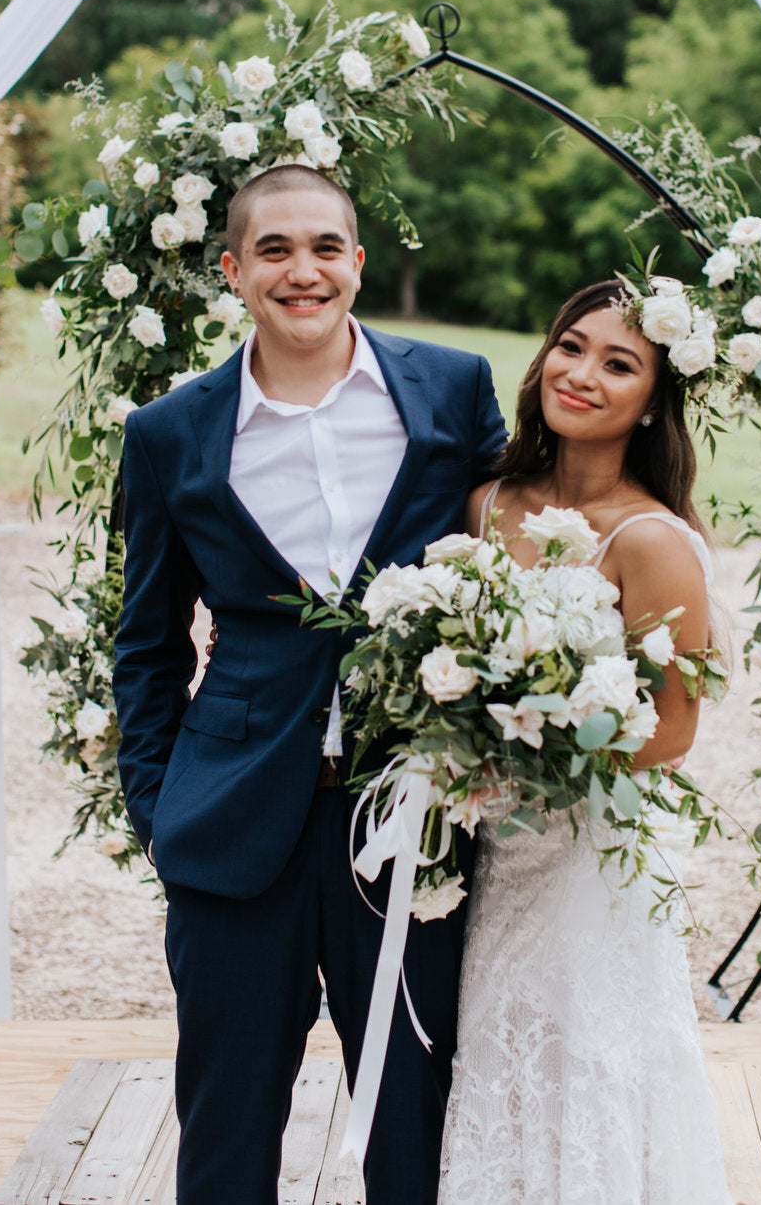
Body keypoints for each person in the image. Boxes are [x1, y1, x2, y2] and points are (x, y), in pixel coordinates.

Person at [112, 165, 506, 1205]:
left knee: (412, 1117)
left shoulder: (453, 393)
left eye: (326, 247)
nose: (304, 271)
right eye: (275, 250)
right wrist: (157, 812)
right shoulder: (169, 434)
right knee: (228, 1128)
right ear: (234, 269)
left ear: (358, 263)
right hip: (232, 828)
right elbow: (146, 646)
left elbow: (523, 554)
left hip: (411, 824)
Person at [438, 279, 732, 1204]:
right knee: (496, 1050)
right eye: (571, 347)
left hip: (590, 858)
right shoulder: (487, 505)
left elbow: (673, 730)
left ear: (653, 404)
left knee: (591, 1061)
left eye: (620, 364)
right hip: (492, 849)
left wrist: (529, 757)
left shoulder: (652, 540)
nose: (583, 374)